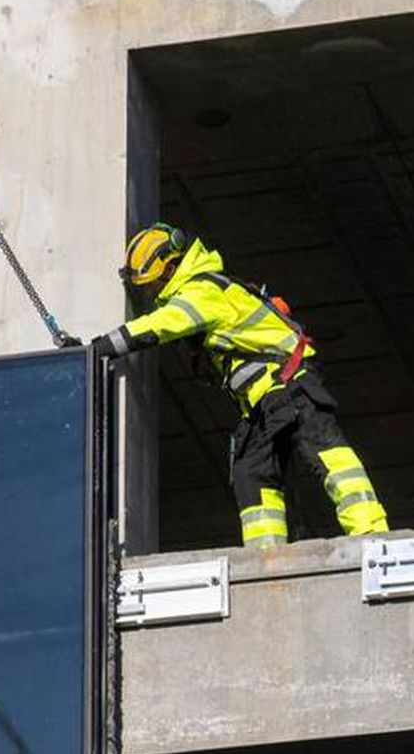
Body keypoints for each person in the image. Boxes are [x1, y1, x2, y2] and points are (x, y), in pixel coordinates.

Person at [90, 224, 389, 548]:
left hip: (290, 385)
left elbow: (159, 326)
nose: (152, 293)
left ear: (172, 267)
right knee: (252, 472)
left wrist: (97, 348)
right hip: (266, 400)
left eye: (154, 283)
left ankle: (370, 531)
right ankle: (266, 556)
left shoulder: (203, 292)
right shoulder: (206, 291)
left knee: (326, 452)